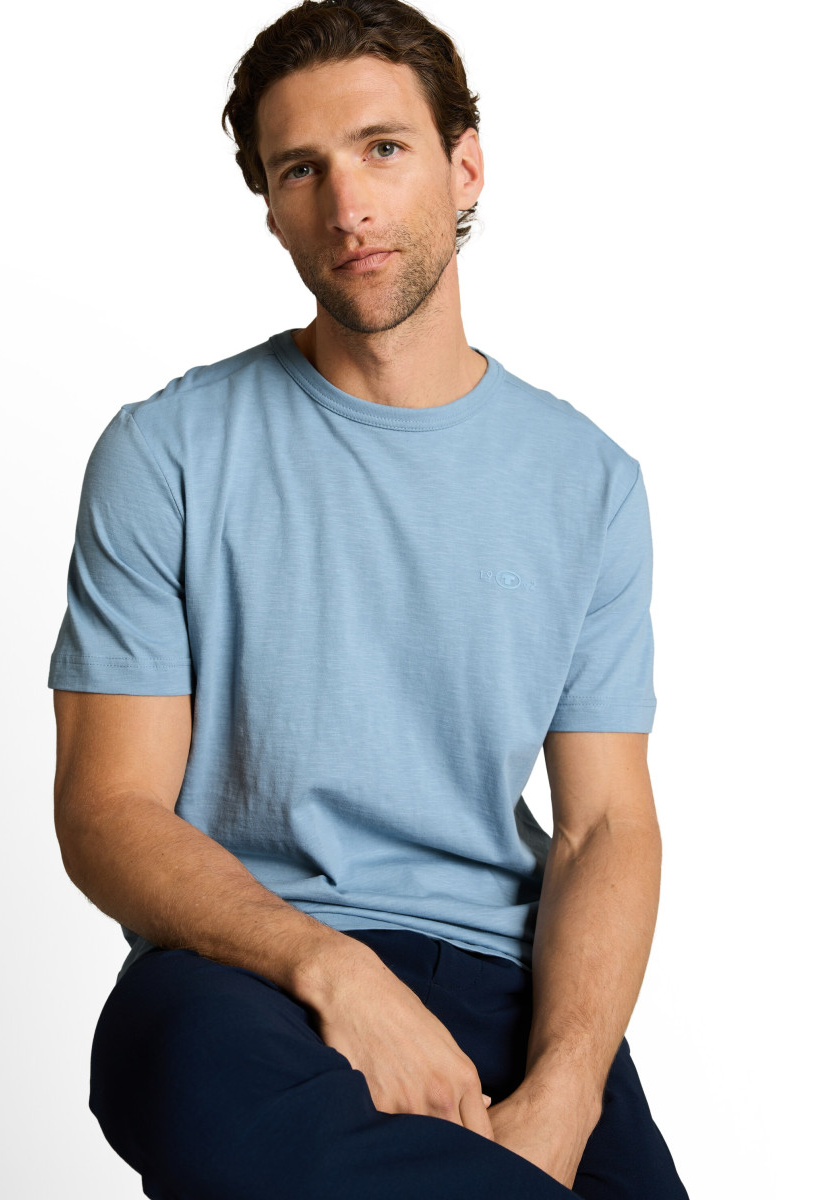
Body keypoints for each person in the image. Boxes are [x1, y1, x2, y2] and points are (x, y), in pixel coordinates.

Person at [49, 2, 688, 1196]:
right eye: (301, 169)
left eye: (382, 148)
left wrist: (563, 1092)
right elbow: (107, 813)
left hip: (506, 986)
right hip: (246, 971)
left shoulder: (587, 480)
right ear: (270, 205)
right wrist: (333, 972)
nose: (346, 206)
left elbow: (605, 825)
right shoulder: (167, 451)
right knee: (180, 1074)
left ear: (464, 166)